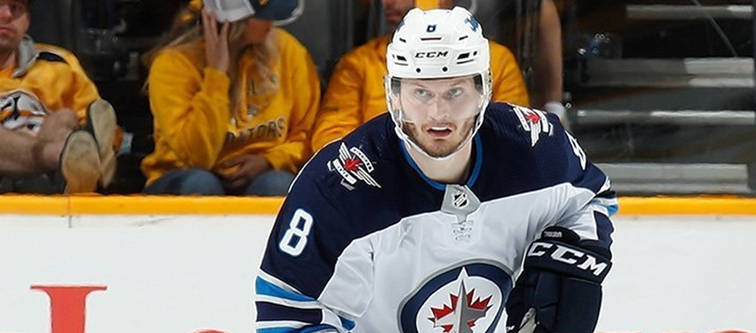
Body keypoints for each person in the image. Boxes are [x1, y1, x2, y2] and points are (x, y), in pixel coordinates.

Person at [255, 7, 618, 333]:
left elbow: (592, 201)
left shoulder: (536, 150)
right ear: (393, 93)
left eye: (455, 91)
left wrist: (574, 258)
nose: (437, 114)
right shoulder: (341, 185)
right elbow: (285, 320)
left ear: (484, 89)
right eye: (421, 92)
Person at [141, 0, 319, 196]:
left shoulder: (289, 51)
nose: (272, 21)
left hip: (262, 173)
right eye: (263, 15)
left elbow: (305, 133)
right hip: (184, 174)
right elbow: (197, 157)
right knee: (201, 184)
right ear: (233, 21)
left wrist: (270, 160)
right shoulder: (173, 64)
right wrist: (216, 74)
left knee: (277, 185)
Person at [310, 0, 529, 153]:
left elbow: (513, 132)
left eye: (455, 91)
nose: (388, 3)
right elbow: (330, 137)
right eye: (421, 91)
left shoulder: (496, 60)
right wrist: (387, 161)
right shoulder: (358, 63)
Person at [0, 0, 118, 193]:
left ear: (27, 21)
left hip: (47, 180)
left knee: (65, 117)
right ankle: (60, 156)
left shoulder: (59, 63)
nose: (6, 15)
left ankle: (76, 170)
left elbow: (97, 125)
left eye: (15, 8)